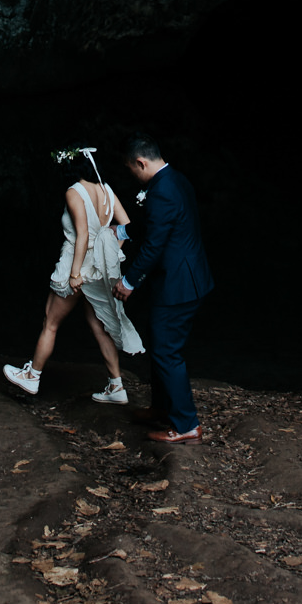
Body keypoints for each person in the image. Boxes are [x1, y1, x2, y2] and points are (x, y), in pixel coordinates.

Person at [3, 146, 144, 401]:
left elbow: (83, 235)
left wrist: (75, 274)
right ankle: (116, 387)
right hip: (101, 268)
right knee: (98, 326)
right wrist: (109, 250)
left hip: (76, 265)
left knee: (51, 322)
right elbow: (127, 226)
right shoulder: (107, 191)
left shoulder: (74, 191)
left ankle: (32, 376)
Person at [114, 134, 213, 443]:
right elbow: (154, 225)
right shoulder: (174, 179)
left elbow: (156, 244)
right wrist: (121, 230)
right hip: (180, 278)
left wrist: (128, 281)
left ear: (141, 163)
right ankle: (161, 408)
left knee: (167, 350)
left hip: (179, 283)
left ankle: (186, 425)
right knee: (160, 344)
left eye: (132, 170)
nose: (133, 176)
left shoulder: (164, 189)